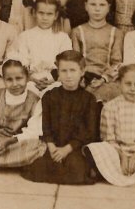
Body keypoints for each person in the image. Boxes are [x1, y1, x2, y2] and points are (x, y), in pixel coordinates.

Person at [84, 63, 135, 187]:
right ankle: (107, 171)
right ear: (119, 84)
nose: (132, 89)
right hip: (117, 151)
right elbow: (108, 138)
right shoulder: (110, 107)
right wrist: (121, 155)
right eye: (128, 84)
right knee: (95, 149)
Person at [22, 50, 99, 185]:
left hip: (74, 147)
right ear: (58, 72)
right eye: (63, 71)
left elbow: (89, 131)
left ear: (82, 71)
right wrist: (52, 147)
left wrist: (67, 149)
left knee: (76, 170)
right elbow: (46, 126)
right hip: (54, 145)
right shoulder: (50, 96)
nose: (68, 75)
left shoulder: (89, 99)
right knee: (39, 168)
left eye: (73, 70)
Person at [70, 0, 123, 102]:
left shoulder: (116, 32)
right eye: (93, 4)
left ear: (109, 7)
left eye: (102, 5)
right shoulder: (77, 31)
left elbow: (117, 62)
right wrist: (81, 77)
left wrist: (104, 78)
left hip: (107, 79)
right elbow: (75, 59)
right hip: (84, 77)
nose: (97, 9)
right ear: (86, 6)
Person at [10, 0, 72, 95]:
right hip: (30, 80)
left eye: (49, 14)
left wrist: (53, 79)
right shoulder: (25, 36)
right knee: (27, 92)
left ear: (56, 15)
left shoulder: (63, 38)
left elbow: (66, 63)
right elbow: (21, 61)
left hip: (55, 80)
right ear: (34, 13)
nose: (44, 18)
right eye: (41, 13)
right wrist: (31, 78)